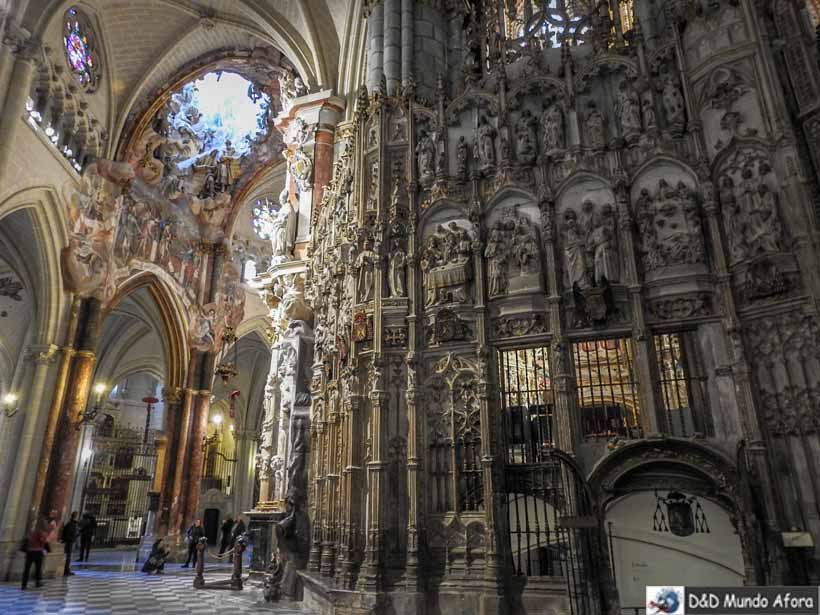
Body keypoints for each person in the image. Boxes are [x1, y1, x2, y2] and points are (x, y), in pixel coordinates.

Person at [21, 515, 50, 590]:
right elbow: (43, 541)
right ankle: (37, 582)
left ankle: (23, 585)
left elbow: (27, 539)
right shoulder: (40, 531)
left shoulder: (31, 530)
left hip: (29, 551)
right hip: (37, 551)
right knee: (38, 568)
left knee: (27, 568)